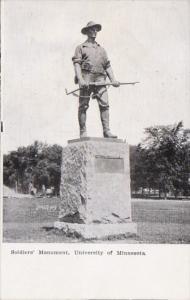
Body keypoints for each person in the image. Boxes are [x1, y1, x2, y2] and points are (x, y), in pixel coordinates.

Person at [72, 21, 120, 138]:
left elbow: (107, 66)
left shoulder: (102, 49)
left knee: (105, 105)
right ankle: (83, 132)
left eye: (96, 30)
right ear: (87, 32)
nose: (94, 32)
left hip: (100, 79)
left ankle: (106, 131)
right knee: (83, 105)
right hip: (86, 78)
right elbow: (77, 64)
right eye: (92, 30)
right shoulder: (80, 48)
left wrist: (113, 79)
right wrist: (81, 79)